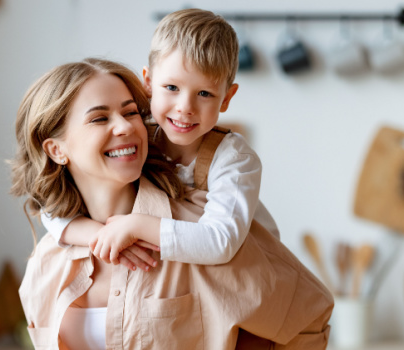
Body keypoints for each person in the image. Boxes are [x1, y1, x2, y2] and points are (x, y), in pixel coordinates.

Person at [11, 58, 332, 350]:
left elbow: (306, 317)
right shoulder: (46, 262)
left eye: (131, 112)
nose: (125, 127)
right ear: (55, 150)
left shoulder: (197, 232)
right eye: (99, 118)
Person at [41, 8, 279, 270]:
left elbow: (221, 242)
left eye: (204, 93)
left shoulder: (233, 158)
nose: (185, 107)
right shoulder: (137, 135)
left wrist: (138, 225)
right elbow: (51, 210)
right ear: (148, 83)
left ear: (226, 98)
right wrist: (97, 234)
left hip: (252, 273)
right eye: (172, 88)